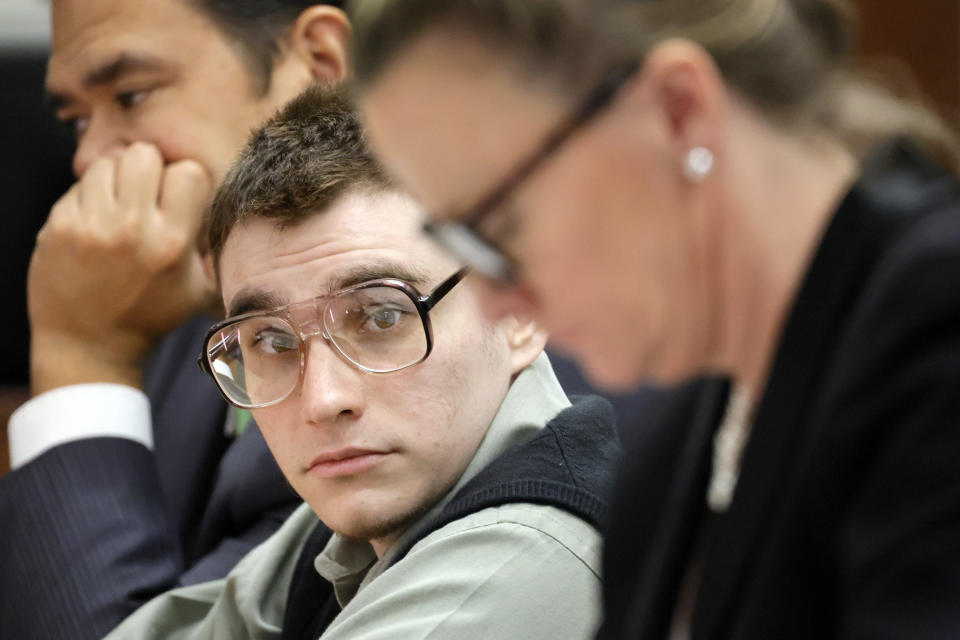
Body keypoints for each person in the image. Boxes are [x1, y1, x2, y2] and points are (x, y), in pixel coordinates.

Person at [349, 0, 960, 637]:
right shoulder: (669, 456)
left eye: (497, 228)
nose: (496, 302)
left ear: (678, 111)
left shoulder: (938, 328)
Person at [103, 84, 618, 640]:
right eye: (271, 343)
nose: (323, 401)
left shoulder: (512, 570)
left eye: (380, 317)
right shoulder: (358, 519)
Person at [0, 1, 352, 637]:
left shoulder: (420, 356)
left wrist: (84, 356)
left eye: (130, 97)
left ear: (318, 64)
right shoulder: (178, 288)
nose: (89, 159)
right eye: (79, 120)